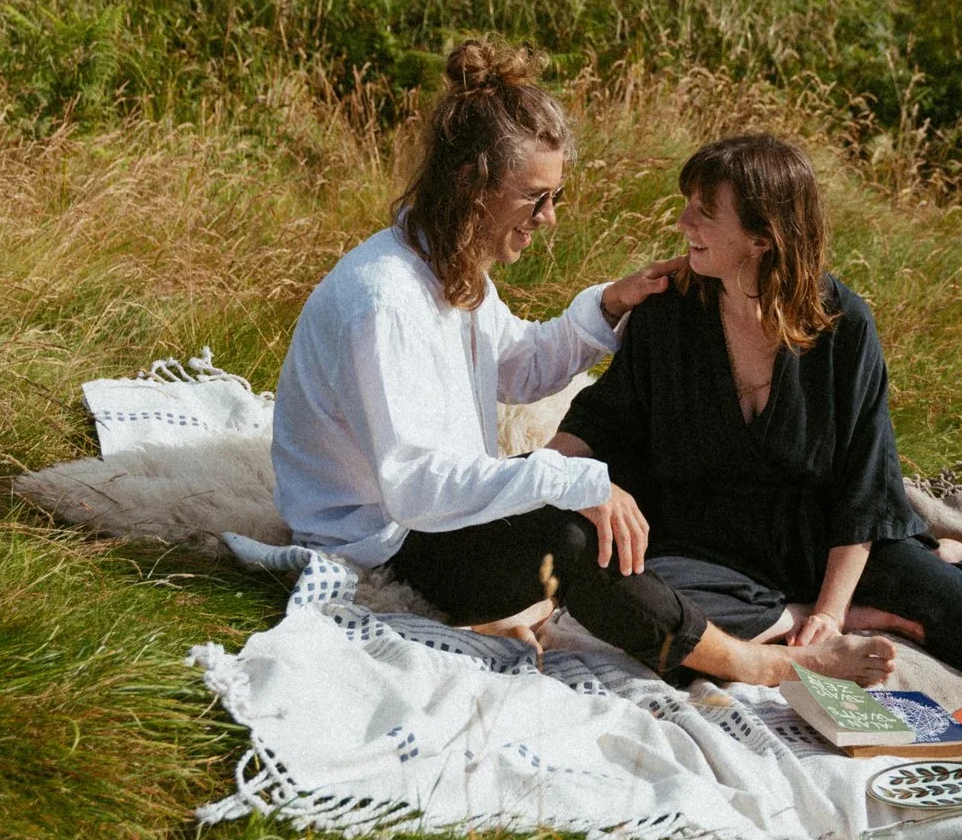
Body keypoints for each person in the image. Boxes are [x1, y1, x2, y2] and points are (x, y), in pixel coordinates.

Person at [271, 40, 898, 686]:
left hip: (430, 517)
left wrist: (605, 306)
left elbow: (511, 366)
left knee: (573, 509)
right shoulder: (384, 301)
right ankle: (771, 665)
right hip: (382, 547)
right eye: (534, 197)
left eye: (556, 196)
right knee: (574, 537)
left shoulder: (443, 265)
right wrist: (571, 482)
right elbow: (417, 489)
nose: (548, 219)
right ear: (471, 184)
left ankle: (665, 616)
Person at [549, 133, 962, 683]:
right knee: (634, 603)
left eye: (705, 211)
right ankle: (831, 616)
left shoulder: (843, 325)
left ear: (763, 238)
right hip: (705, 546)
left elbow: (864, 488)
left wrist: (831, 611)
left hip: (825, 543)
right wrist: (537, 476)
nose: (682, 222)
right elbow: (605, 418)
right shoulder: (668, 312)